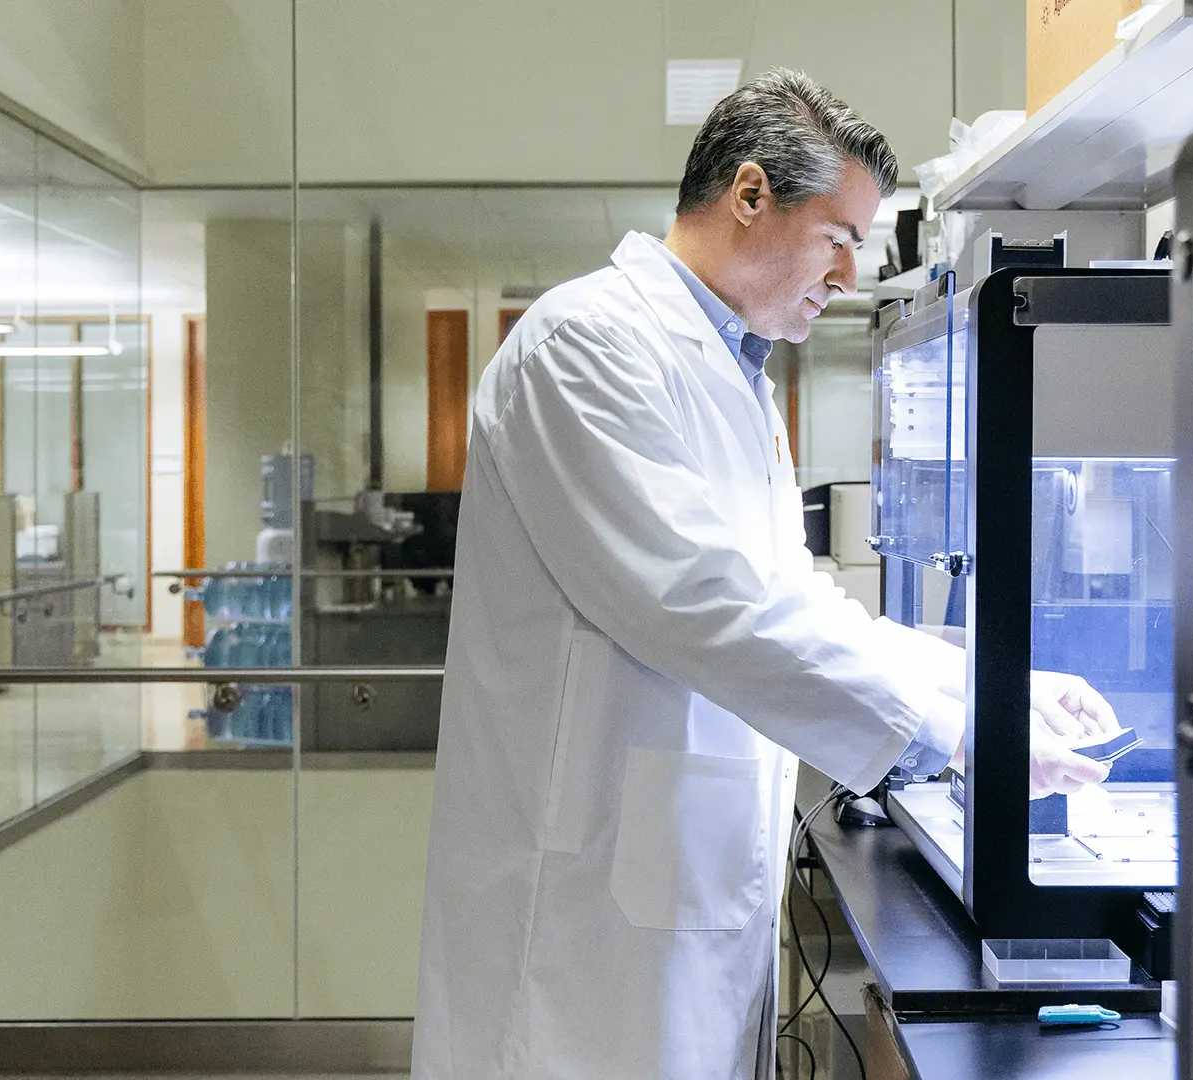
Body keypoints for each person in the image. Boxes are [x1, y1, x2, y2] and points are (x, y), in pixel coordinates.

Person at [411, 69, 1119, 1080]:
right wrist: (960, 732)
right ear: (750, 195)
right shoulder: (586, 348)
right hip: (579, 922)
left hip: (669, 882)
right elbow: (707, 602)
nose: (848, 276)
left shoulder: (731, 370)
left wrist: (984, 684)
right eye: (839, 238)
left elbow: (792, 602)